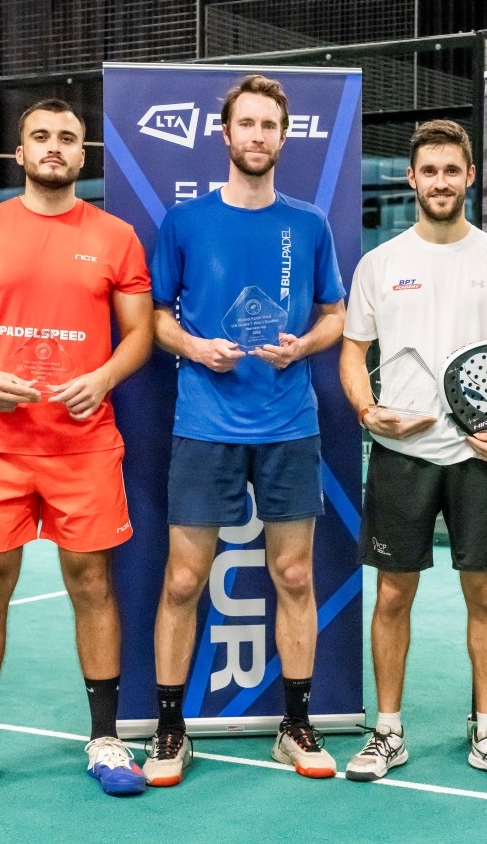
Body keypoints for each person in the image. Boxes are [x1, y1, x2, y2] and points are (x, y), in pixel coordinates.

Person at [0, 98, 155, 801]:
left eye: (68, 139)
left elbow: (140, 333)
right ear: (20, 153)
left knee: (91, 584)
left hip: (83, 445)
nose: (55, 147)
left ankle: (106, 737)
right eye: (41, 137)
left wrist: (106, 374)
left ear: (83, 157)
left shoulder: (115, 237)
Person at [143, 74, 347, 786]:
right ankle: (170, 730)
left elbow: (336, 315)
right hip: (204, 423)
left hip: (289, 424)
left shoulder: (310, 225)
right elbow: (157, 316)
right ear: (224, 135)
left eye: (270, 126)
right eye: (247, 124)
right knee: (181, 579)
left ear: (284, 138)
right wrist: (196, 348)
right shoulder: (185, 223)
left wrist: (304, 347)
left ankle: (295, 724)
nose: (258, 136)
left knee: (293, 573)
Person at [340, 120, 487, 785]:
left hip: (481, 458)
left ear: (470, 175)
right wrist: (369, 412)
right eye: (428, 170)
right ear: (411, 177)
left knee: (486, 595)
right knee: (393, 593)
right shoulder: (381, 263)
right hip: (401, 456)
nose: (439, 181)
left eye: (451, 170)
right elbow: (353, 354)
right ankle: (388, 731)